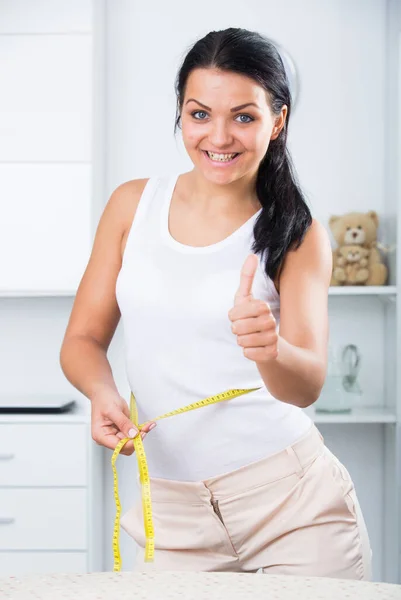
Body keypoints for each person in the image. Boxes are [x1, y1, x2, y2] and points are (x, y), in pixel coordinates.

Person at [60, 27, 372, 579]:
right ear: (180, 113)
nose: (219, 136)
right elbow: (82, 340)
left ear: (278, 121)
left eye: (244, 117)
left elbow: (306, 385)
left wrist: (269, 350)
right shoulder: (133, 206)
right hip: (174, 517)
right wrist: (103, 392)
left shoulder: (297, 236)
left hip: (294, 510)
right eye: (200, 114)